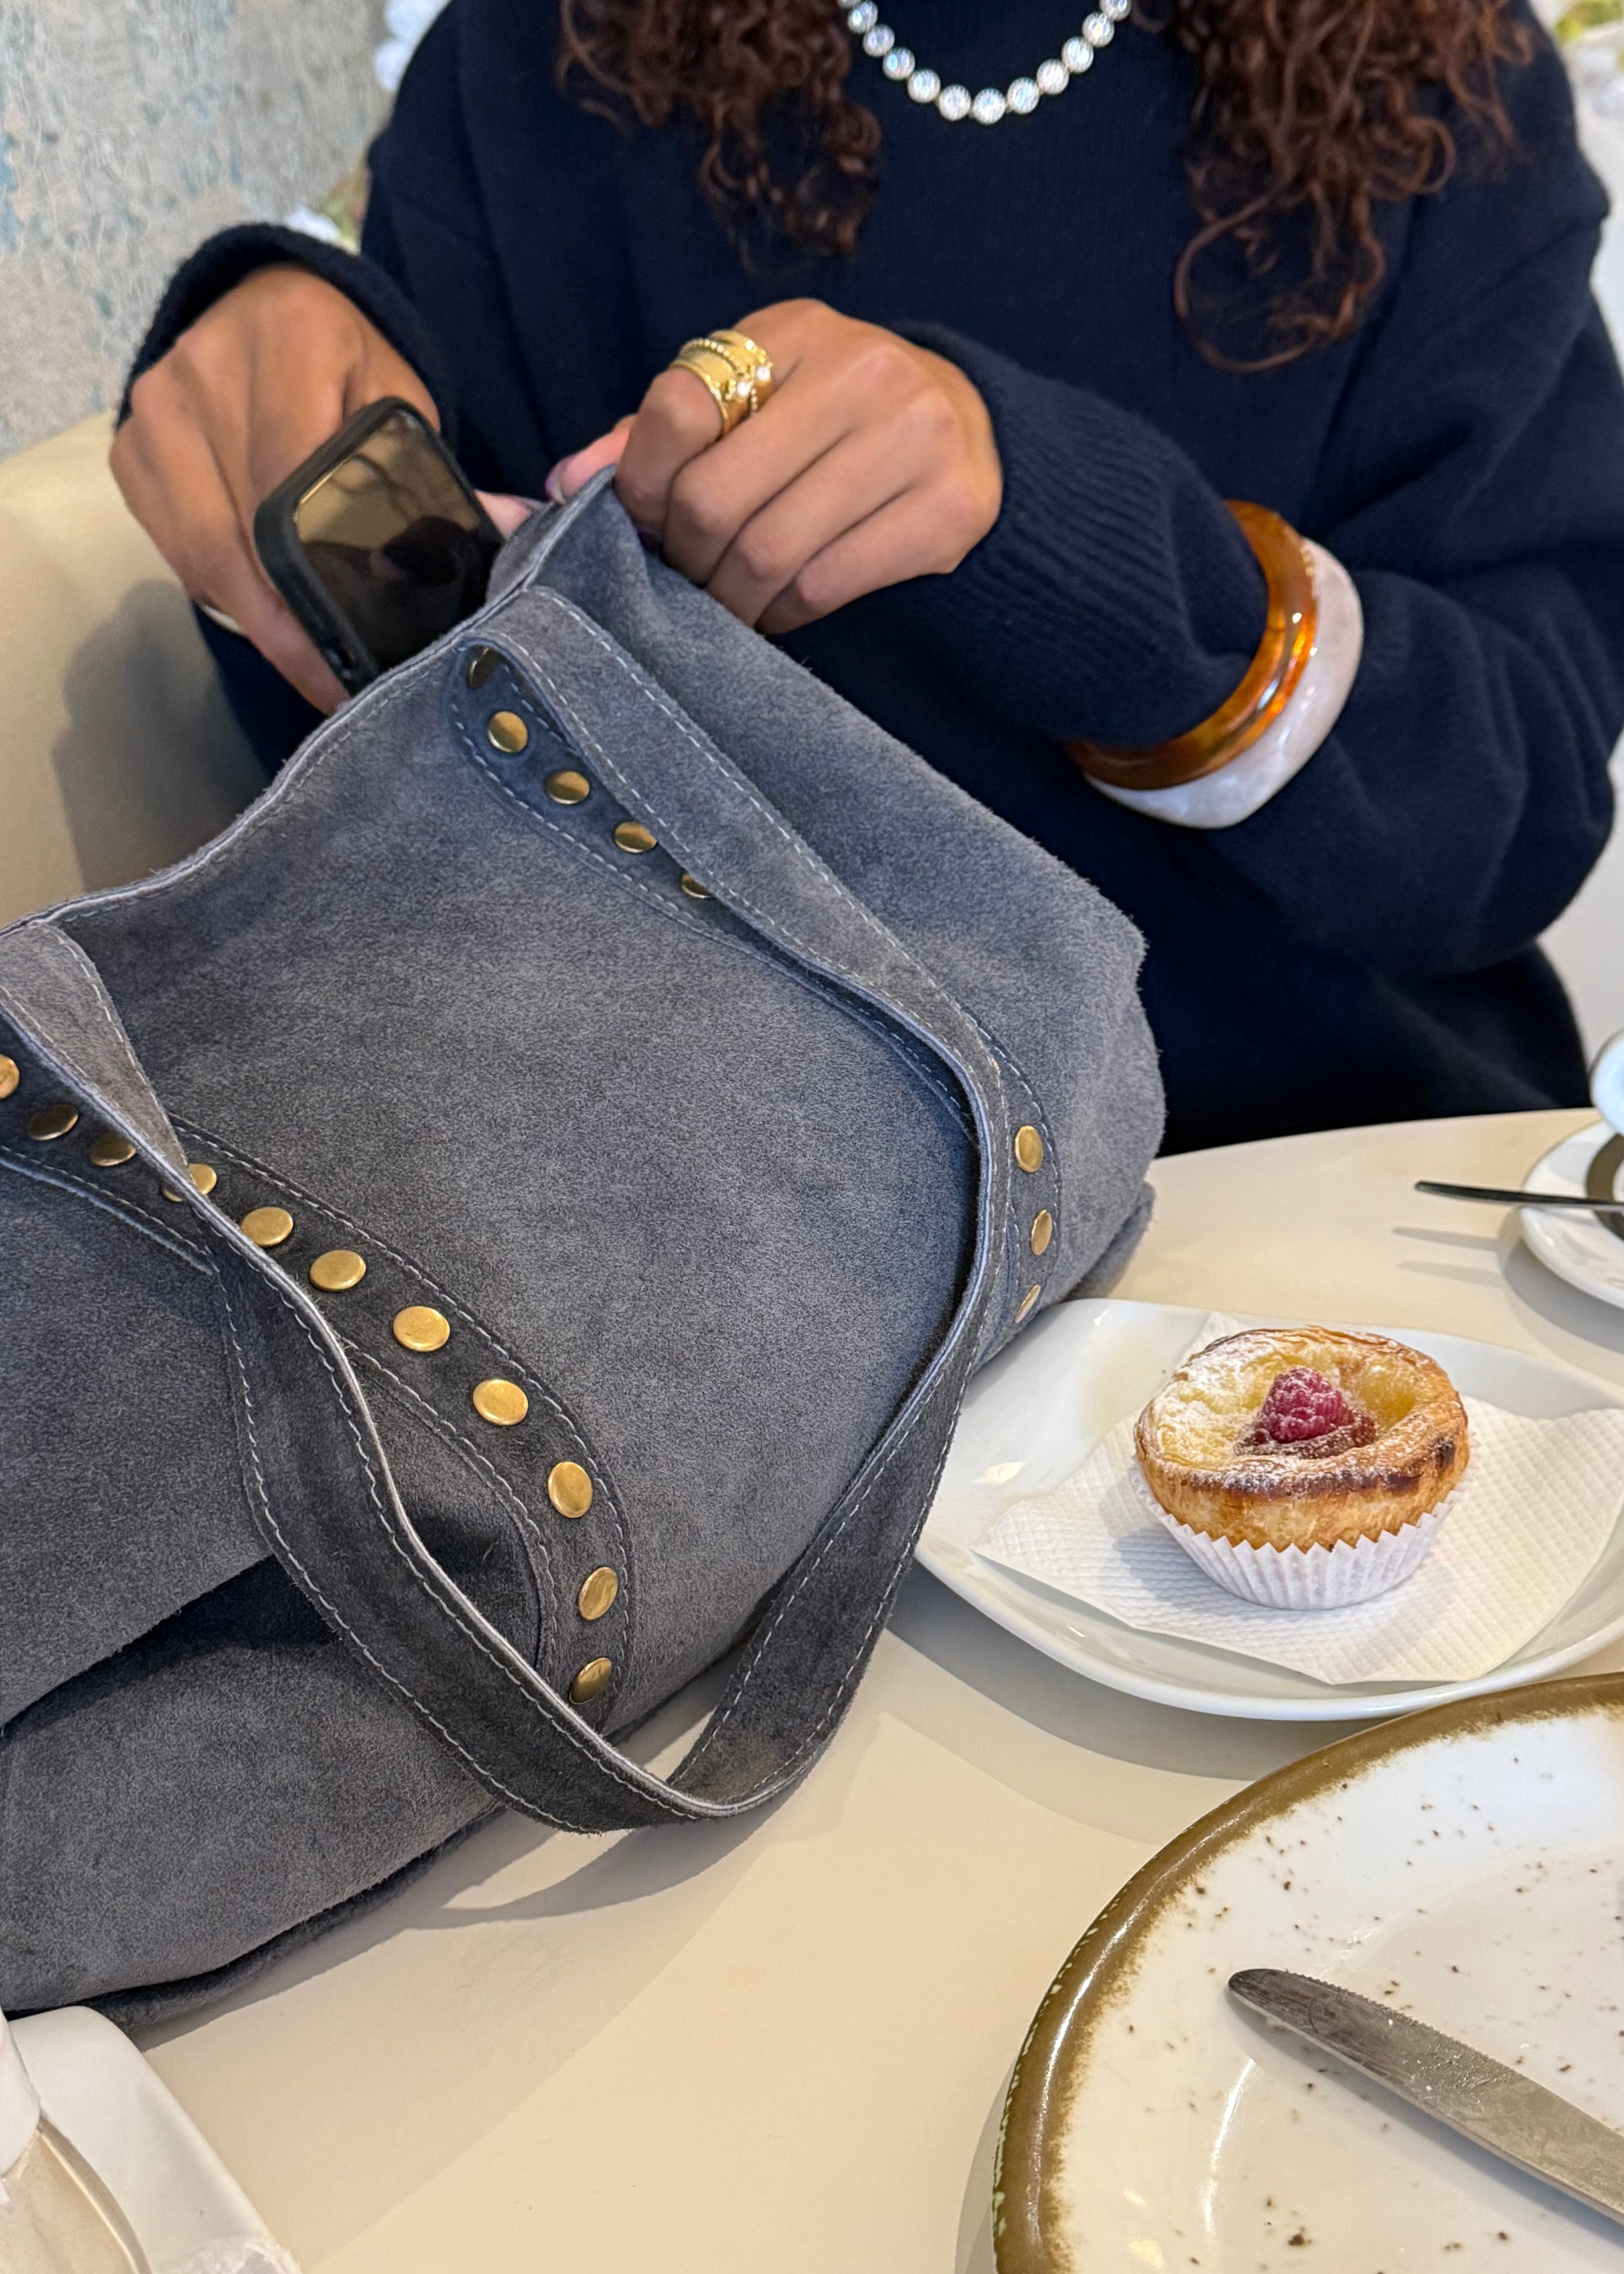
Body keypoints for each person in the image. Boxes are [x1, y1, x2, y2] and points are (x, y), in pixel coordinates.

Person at [113, 0, 1624, 1151]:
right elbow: (418, 824)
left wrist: (1084, 550)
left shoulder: (1437, 75)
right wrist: (278, 431)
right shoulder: (547, 59)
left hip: (1324, 1202)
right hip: (751, 1277)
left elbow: (1502, 816)